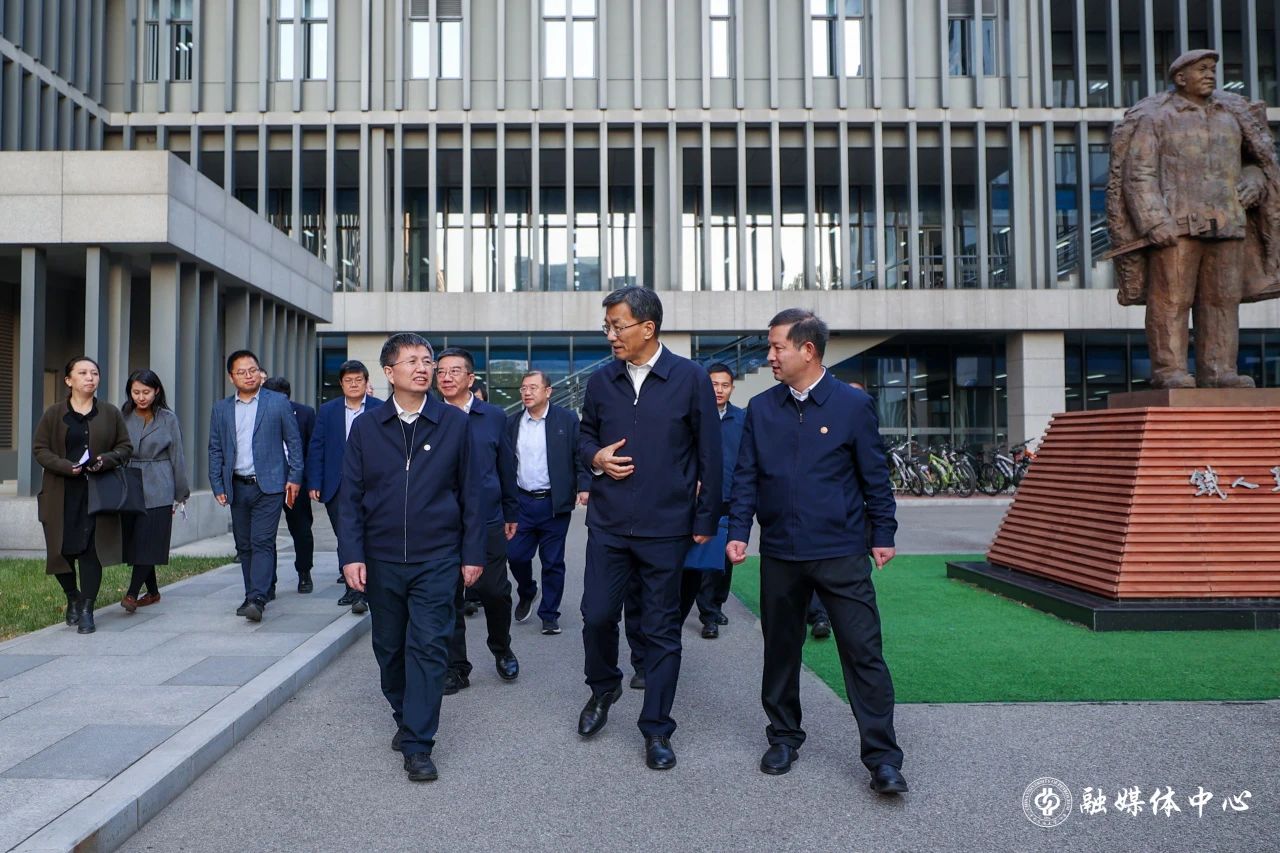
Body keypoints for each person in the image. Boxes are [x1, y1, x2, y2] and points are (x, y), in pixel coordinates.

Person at [727, 309, 906, 794]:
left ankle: (883, 759)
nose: (769, 356)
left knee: (863, 652)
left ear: (808, 350)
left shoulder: (852, 405)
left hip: (840, 551)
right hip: (781, 553)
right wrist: (739, 529)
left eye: (776, 347)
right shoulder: (761, 408)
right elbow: (746, 476)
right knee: (780, 651)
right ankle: (784, 737)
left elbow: (874, 476)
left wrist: (883, 532)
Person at [577, 286, 721, 771]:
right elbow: (584, 435)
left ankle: (657, 728)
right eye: (607, 326)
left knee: (661, 630)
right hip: (609, 523)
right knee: (597, 615)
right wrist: (595, 457)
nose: (610, 335)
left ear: (648, 327)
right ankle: (604, 687)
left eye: (617, 326)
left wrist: (705, 518)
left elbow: (710, 452)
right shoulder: (601, 380)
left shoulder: (690, 377)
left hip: (667, 527)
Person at [339, 332, 485, 782]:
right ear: (389, 372)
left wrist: (472, 553)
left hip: (437, 558)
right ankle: (406, 715)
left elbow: (473, 493)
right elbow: (351, 498)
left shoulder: (454, 424)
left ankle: (419, 743)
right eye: (412, 361)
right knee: (389, 648)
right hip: (381, 558)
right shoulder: (367, 427)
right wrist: (351, 554)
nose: (423, 368)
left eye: (428, 360)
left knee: (428, 647)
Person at [1115, 48, 1275, 388]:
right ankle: (1169, 371)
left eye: (1212, 69)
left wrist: (1255, 180)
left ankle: (1219, 371)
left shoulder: (1231, 116)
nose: (1210, 74)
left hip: (1228, 224)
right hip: (1178, 228)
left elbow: (1255, 161)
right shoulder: (1157, 118)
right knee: (1172, 301)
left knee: (1223, 301)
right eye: (1202, 69)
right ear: (1180, 78)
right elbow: (1138, 174)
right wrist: (1153, 221)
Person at [435, 347, 520, 694]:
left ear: (470, 378)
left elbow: (506, 466)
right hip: (442, 522)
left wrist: (511, 511)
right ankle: (457, 667)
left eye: (454, 371)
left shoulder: (494, 417)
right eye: (441, 371)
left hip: (487, 519)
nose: (446, 377)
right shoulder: (429, 416)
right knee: (448, 596)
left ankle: (501, 647)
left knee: (495, 591)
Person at [33, 356, 133, 635]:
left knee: (92, 551)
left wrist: (105, 460)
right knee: (60, 551)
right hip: (60, 493)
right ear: (69, 380)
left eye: (94, 373)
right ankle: (73, 596)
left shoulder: (110, 413)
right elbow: (40, 449)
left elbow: (125, 447)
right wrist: (66, 466)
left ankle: (88, 608)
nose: (90, 377)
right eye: (83, 373)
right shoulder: (54, 413)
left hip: (96, 492)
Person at [208, 350, 303, 622]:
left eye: (253, 370)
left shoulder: (278, 402)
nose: (249, 376)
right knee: (244, 544)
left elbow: (294, 441)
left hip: (269, 485)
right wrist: (217, 484)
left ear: (260, 373)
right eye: (241, 372)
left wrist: (295, 477)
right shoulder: (221, 409)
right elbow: (215, 448)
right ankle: (252, 592)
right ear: (231, 377)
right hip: (237, 485)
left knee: (262, 540)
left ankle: (257, 598)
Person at [506, 369, 590, 635]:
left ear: (548, 391)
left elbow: (579, 455)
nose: (526, 393)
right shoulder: (512, 422)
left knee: (552, 561)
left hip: (554, 502)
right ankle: (528, 590)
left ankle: (550, 614)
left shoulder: (566, 419)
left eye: (533, 387)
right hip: (521, 502)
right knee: (515, 555)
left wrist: (584, 486)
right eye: (523, 388)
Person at [306, 360, 382, 614]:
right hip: (337, 484)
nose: (353, 384)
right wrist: (314, 481)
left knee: (371, 535)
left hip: (373, 484)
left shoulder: (380, 408)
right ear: (341, 384)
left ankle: (367, 588)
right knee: (345, 535)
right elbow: (317, 446)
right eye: (348, 380)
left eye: (358, 380)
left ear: (366, 382)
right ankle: (353, 588)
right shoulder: (328, 411)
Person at [679, 362, 746, 639]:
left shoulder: (742, 419)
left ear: (732, 388)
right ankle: (708, 615)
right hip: (698, 498)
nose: (719, 390)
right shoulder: (691, 416)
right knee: (702, 557)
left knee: (724, 560)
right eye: (713, 384)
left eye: (724, 385)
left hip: (730, 497)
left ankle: (715, 604)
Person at [119, 370, 190, 613]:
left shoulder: (168, 419)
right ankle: (153, 592)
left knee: (149, 539)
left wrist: (181, 493)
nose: (141, 397)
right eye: (136, 392)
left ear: (156, 391)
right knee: (137, 540)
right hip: (129, 482)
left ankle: (131, 594)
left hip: (159, 483)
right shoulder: (123, 416)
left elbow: (177, 456)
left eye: (146, 392)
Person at [262, 376, 316, 599]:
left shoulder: (305, 413)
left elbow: (312, 449)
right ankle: (269, 582)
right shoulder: (259, 414)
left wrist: (310, 481)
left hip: (296, 483)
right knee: (266, 535)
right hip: (267, 482)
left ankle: (304, 573)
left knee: (301, 531)